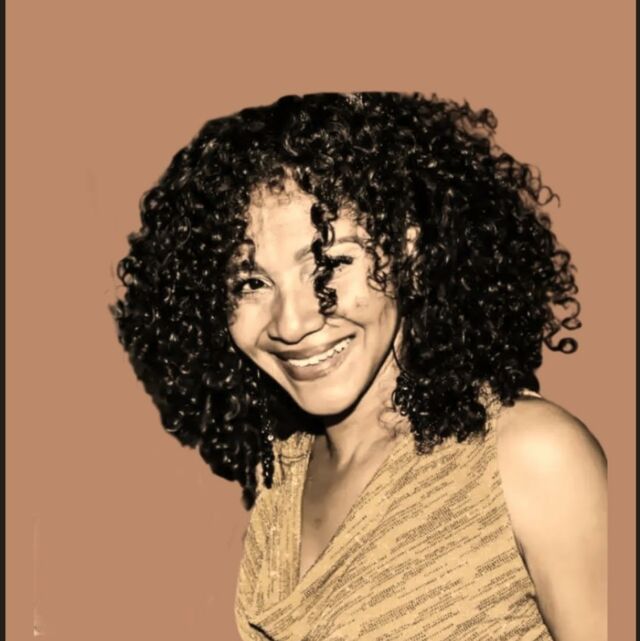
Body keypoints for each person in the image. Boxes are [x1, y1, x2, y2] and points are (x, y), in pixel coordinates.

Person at [112, 92, 607, 640]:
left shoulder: (530, 456)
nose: (292, 322)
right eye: (251, 282)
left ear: (407, 253)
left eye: (329, 263)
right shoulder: (284, 476)